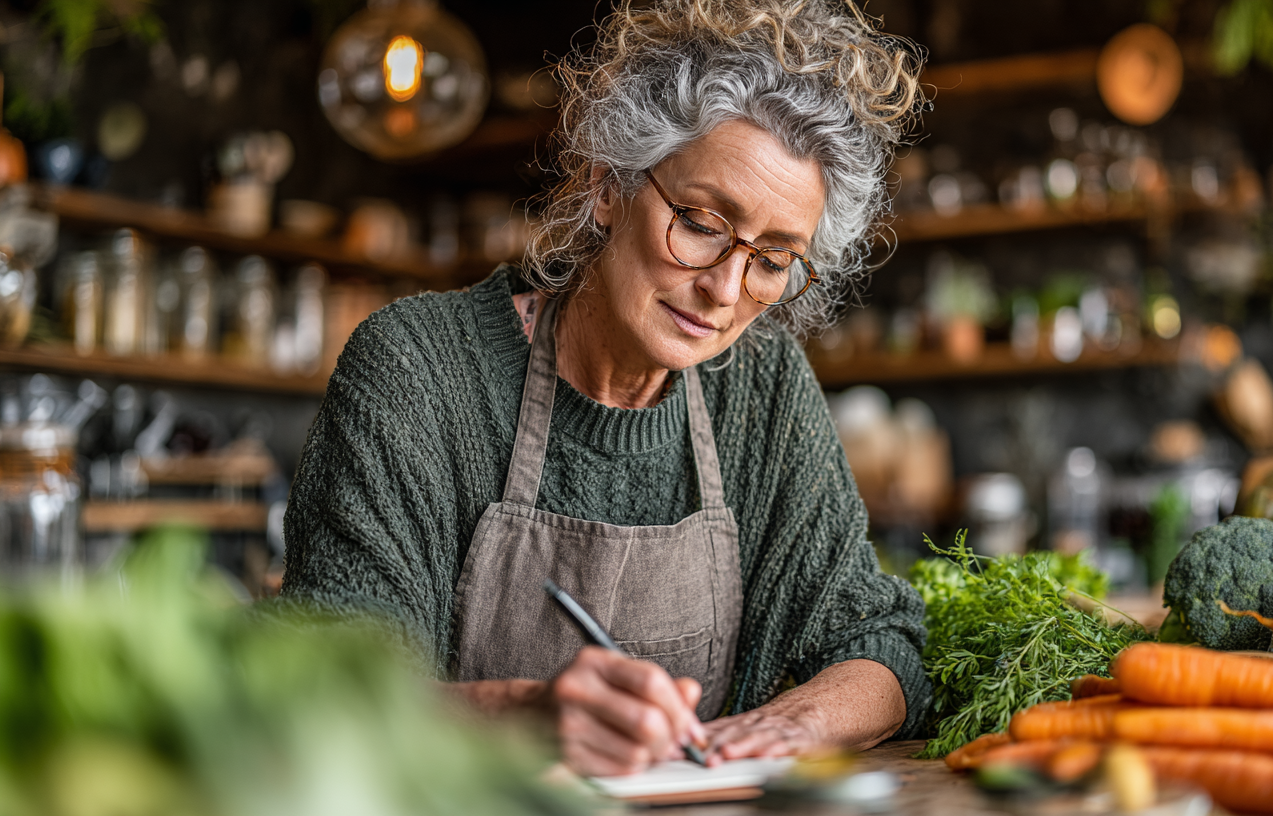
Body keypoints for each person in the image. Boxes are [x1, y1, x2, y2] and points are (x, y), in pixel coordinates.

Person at [282, 0, 930, 777]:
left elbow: (880, 649)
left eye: (772, 259)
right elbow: (326, 687)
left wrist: (792, 726)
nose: (726, 289)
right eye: (699, 222)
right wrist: (529, 717)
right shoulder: (418, 370)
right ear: (606, 186)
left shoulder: (764, 388)